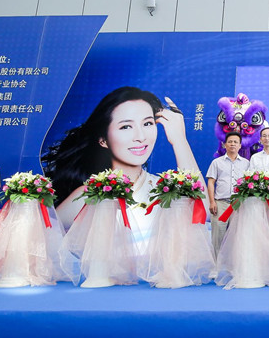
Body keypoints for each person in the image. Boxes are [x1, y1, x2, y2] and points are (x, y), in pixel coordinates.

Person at [42, 86, 202, 253]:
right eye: (126, 127)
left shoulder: (164, 189)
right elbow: (46, 239)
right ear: (103, 140)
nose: (140, 137)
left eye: (147, 123)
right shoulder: (89, 195)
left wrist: (179, 140)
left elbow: (202, 215)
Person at [206, 132, 250, 257]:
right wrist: (212, 202)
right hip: (220, 204)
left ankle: (233, 264)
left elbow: (249, 184)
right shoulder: (217, 162)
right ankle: (216, 264)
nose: (232, 144)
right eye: (230, 142)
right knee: (217, 237)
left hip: (238, 205)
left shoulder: (246, 163)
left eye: (235, 142)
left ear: (240, 145)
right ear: (225, 144)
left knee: (237, 237)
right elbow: (211, 182)